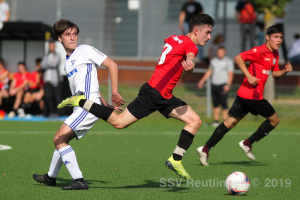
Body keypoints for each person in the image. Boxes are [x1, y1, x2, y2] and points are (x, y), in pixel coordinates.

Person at [58, 14, 214, 179]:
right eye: (207, 32)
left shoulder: (175, 38)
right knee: (118, 122)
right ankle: (82, 101)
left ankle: (175, 159)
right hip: (153, 94)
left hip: (165, 96)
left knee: (195, 121)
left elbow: (167, 41)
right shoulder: (191, 46)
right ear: (196, 31)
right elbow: (190, 54)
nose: (209, 37)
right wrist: (191, 62)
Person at [32, 19, 125, 190]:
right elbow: (91, 85)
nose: (73, 38)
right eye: (68, 35)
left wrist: (115, 92)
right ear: (60, 39)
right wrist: (104, 105)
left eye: (74, 34)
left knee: (58, 139)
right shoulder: (68, 61)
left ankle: (79, 180)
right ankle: (51, 177)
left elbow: (112, 65)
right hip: (84, 107)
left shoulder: (84, 50)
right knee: (63, 139)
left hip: (87, 107)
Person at [196, 25, 293, 166]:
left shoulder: (275, 55)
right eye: (275, 37)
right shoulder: (259, 51)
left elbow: (275, 74)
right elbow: (238, 58)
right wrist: (249, 76)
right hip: (253, 97)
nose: (279, 40)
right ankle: (248, 143)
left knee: (230, 122)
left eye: (281, 38)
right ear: (267, 37)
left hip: (244, 94)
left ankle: (205, 149)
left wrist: (285, 70)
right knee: (274, 120)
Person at [197, 46, 234, 127]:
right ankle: (216, 121)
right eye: (219, 52)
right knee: (215, 103)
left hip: (223, 84)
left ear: (225, 52)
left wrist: (228, 84)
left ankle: (225, 121)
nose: (220, 54)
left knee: (224, 103)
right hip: (214, 84)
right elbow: (209, 71)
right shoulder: (213, 61)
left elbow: (230, 74)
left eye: (221, 52)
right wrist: (202, 81)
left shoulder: (228, 61)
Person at [41, 40, 62, 117]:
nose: (52, 47)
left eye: (53, 46)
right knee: (48, 96)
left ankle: (58, 113)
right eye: (50, 46)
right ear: (48, 47)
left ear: (55, 47)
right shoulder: (46, 55)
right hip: (47, 79)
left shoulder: (57, 55)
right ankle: (51, 112)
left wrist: (47, 63)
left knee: (57, 97)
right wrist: (48, 63)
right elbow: (43, 65)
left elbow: (54, 64)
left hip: (56, 80)